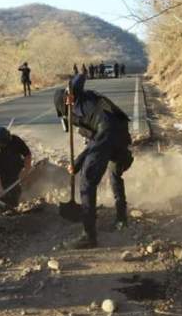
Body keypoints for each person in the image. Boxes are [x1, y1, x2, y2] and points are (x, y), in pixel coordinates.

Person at [54, 74, 134, 249]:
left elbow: (98, 140)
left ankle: (89, 237)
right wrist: (79, 162)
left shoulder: (78, 103)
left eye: (64, 112)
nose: (67, 118)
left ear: (66, 101)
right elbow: (94, 138)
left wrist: (78, 163)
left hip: (109, 134)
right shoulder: (85, 99)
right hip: (119, 132)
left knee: (87, 182)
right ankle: (122, 219)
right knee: (114, 173)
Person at [0, 127, 32, 208]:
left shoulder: (15, 140)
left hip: (15, 170)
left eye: (6, 143)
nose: (4, 146)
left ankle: (13, 208)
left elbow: (27, 155)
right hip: (0, 174)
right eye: (2, 145)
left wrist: (26, 170)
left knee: (14, 198)